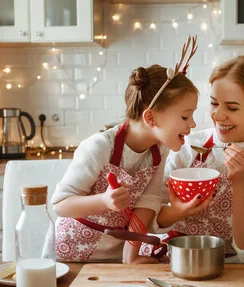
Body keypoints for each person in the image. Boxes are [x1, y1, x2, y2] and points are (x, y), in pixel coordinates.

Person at [51, 37, 199, 264]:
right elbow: (60, 205)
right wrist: (104, 201)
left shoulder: (159, 150)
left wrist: (130, 258)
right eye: (185, 116)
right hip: (72, 251)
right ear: (150, 117)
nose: (193, 124)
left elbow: (147, 202)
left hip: (117, 254)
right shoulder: (99, 147)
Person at [143, 54, 244, 263]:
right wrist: (176, 212)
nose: (218, 115)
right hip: (173, 261)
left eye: (232, 108)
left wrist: (241, 182)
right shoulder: (187, 145)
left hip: (234, 270)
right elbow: (149, 215)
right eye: (214, 103)